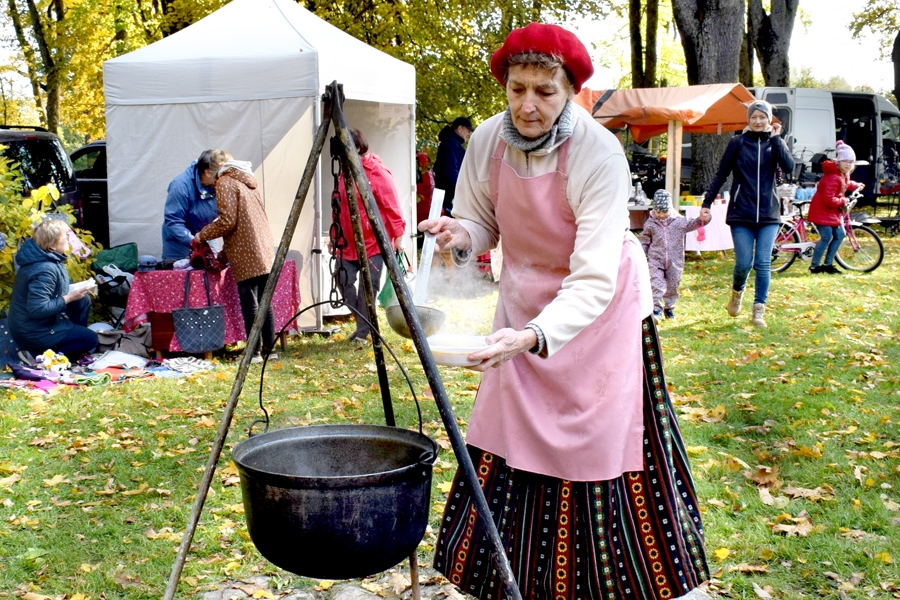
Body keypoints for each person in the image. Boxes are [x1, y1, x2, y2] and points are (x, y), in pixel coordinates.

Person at [420, 23, 709, 600]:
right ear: (504, 85)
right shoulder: (486, 141)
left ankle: (610, 584)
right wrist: (460, 233)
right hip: (523, 304)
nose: (528, 104)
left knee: (597, 442)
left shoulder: (597, 153)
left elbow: (595, 275)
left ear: (570, 90)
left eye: (544, 92)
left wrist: (534, 335)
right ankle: (517, 579)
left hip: (599, 313)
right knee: (513, 436)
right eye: (517, 88)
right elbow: (484, 222)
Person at [701, 100, 794, 328]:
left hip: (769, 215)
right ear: (748, 120)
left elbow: (789, 167)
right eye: (754, 117)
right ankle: (737, 292)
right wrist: (707, 203)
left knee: (763, 263)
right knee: (744, 263)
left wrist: (776, 139)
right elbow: (721, 174)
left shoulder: (775, 144)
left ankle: (758, 310)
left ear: (770, 119)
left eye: (763, 117)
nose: (758, 121)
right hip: (741, 212)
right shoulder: (738, 143)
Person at [195, 152, 278, 362]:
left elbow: (227, 221)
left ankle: (254, 353)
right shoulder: (245, 181)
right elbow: (240, 225)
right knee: (263, 301)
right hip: (263, 248)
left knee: (250, 303)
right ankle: (269, 349)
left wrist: (201, 235)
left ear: (207, 172)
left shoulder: (224, 182)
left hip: (247, 252)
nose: (207, 186)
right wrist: (223, 254)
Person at [334, 128, 406, 345]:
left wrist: (399, 236)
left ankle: (363, 333)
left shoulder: (376, 171)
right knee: (342, 278)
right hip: (348, 243)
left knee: (368, 288)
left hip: (372, 243)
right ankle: (363, 322)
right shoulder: (345, 172)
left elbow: (391, 205)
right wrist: (336, 237)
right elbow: (339, 207)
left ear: (356, 147)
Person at [9, 219, 98, 357]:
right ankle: (38, 355)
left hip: (38, 324)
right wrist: (68, 297)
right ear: (51, 247)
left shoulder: (48, 258)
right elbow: (37, 310)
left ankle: (68, 335)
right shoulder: (45, 269)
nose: (69, 239)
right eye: (65, 238)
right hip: (32, 331)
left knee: (82, 300)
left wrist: (74, 292)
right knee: (91, 339)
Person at [640, 189, 707, 322]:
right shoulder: (651, 223)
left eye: (663, 212)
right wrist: (640, 252)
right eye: (657, 212)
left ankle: (669, 308)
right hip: (656, 260)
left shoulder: (680, 222)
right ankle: (656, 309)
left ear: (670, 209)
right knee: (656, 284)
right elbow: (645, 240)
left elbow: (694, 223)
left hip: (675, 261)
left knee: (673, 285)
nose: (660, 215)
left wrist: (703, 219)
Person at [808, 141, 863, 274]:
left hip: (832, 212)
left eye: (851, 162)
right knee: (826, 236)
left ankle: (828, 264)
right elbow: (828, 199)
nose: (848, 164)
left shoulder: (842, 174)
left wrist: (856, 185)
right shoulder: (832, 177)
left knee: (840, 234)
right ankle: (815, 266)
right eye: (845, 161)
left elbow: (845, 184)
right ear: (838, 161)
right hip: (822, 211)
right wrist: (843, 200)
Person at [162, 149, 222, 260]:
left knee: (214, 269)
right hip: (179, 243)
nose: (222, 178)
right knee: (182, 275)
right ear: (207, 172)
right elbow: (174, 221)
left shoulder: (219, 184)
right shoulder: (180, 185)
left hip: (205, 235)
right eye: (219, 174)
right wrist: (195, 242)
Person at [433, 116, 474, 216]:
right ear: (460, 128)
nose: (469, 134)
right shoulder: (452, 144)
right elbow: (451, 171)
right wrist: (461, 190)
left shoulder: (449, 142)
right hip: (449, 196)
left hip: (444, 194)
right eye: (468, 130)